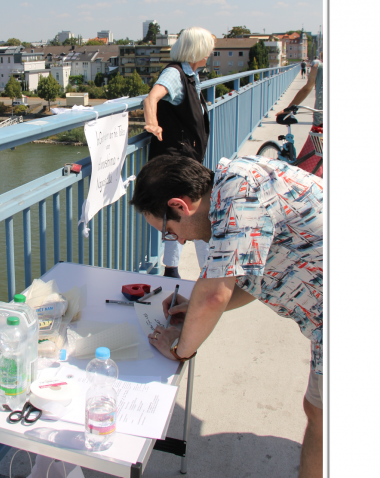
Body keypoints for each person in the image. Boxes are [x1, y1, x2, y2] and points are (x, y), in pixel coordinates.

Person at [130, 154, 323, 478]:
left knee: (323, 420)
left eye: (168, 230)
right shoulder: (234, 186)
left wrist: (180, 350)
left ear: (180, 205)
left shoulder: (240, 196)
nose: (178, 240)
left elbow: (214, 296)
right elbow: (252, 282)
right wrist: (192, 306)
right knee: (318, 414)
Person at [142, 26, 214, 278]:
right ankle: (190, 269)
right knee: (188, 213)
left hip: (188, 159)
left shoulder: (192, 75)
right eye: (208, 51)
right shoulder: (175, 74)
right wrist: (152, 123)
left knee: (186, 214)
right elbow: (151, 98)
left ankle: (183, 268)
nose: (210, 56)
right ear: (198, 51)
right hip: (175, 160)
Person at [281, 52, 323, 128]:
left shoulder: (318, 68)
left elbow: (306, 90)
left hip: (320, 122)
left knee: (316, 138)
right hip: (320, 121)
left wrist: (287, 110)